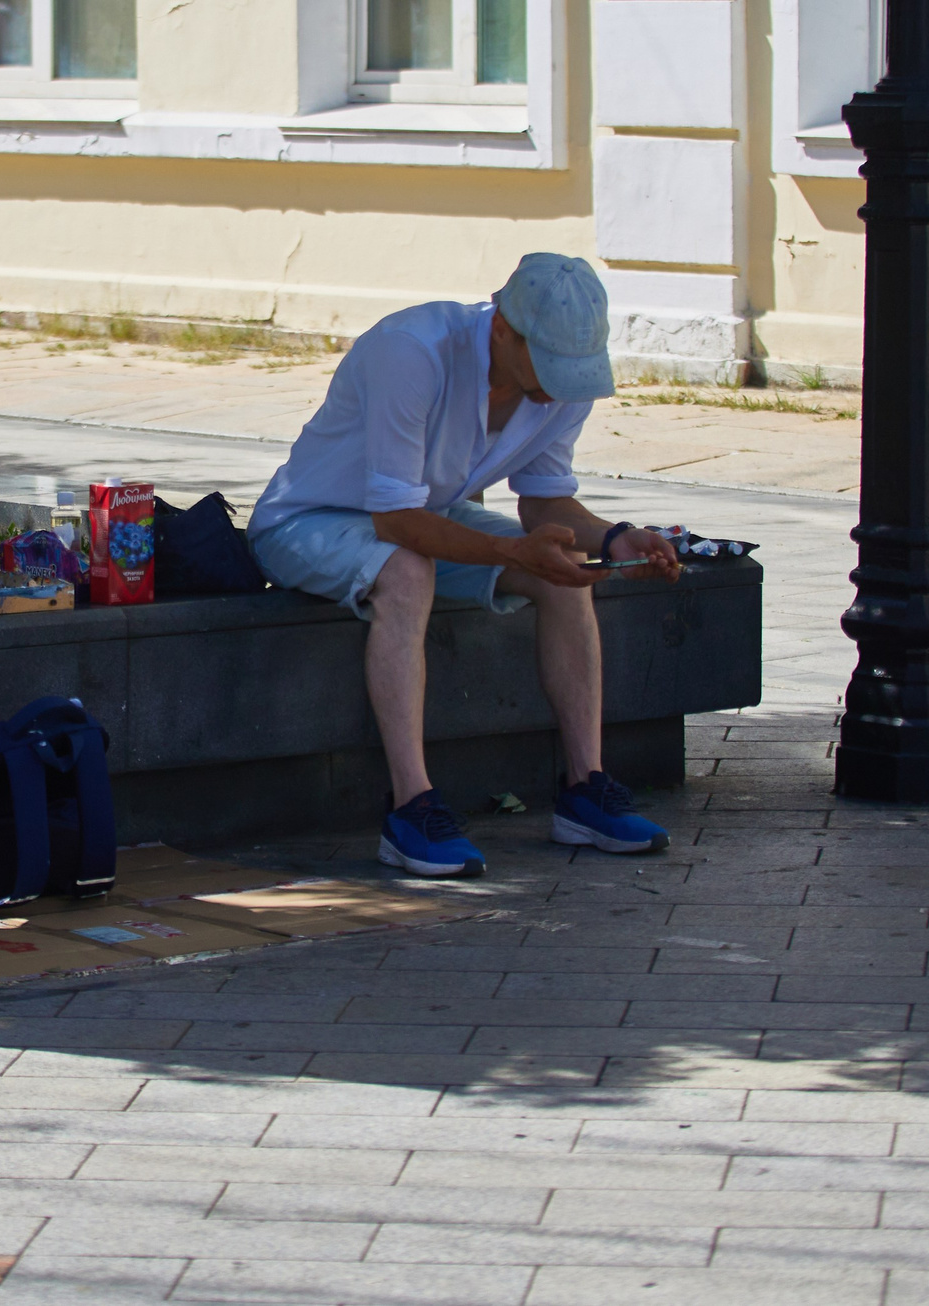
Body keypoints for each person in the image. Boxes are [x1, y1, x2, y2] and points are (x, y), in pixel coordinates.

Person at [247, 254, 679, 877]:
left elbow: (544, 502)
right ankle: (411, 808)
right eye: (549, 364)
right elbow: (397, 524)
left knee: (566, 566)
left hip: (426, 514)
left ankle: (586, 790)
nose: (560, 385)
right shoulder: (411, 351)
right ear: (502, 328)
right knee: (406, 571)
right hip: (308, 521)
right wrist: (510, 552)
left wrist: (615, 539)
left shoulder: (560, 384)